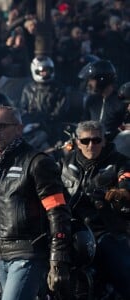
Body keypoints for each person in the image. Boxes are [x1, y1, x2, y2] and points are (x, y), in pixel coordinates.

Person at [0, 106, 72, 300]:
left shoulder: (37, 162)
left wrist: (58, 260)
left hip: (29, 255)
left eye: (2, 126)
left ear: (19, 128)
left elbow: (58, 213)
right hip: (2, 258)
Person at [60, 120, 130, 299]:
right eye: (85, 141)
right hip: (70, 231)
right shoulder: (65, 162)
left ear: (104, 141)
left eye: (96, 140)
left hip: (105, 230)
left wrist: (121, 193)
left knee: (124, 274)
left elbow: (126, 179)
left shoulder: (119, 162)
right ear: (77, 143)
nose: (91, 145)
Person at [20, 55, 69, 146]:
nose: (45, 73)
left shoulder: (58, 88)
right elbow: (23, 108)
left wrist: (44, 121)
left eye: (47, 70)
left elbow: (61, 111)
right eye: (42, 71)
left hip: (52, 127)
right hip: (31, 125)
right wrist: (30, 121)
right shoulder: (28, 88)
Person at [81, 59, 126, 141]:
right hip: (93, 145)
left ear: (102, 79)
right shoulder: (91, 101)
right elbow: (84, 124)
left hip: (115, 147)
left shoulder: (121, 101)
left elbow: (126, 128)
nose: (89, 84)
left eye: (92, 80)